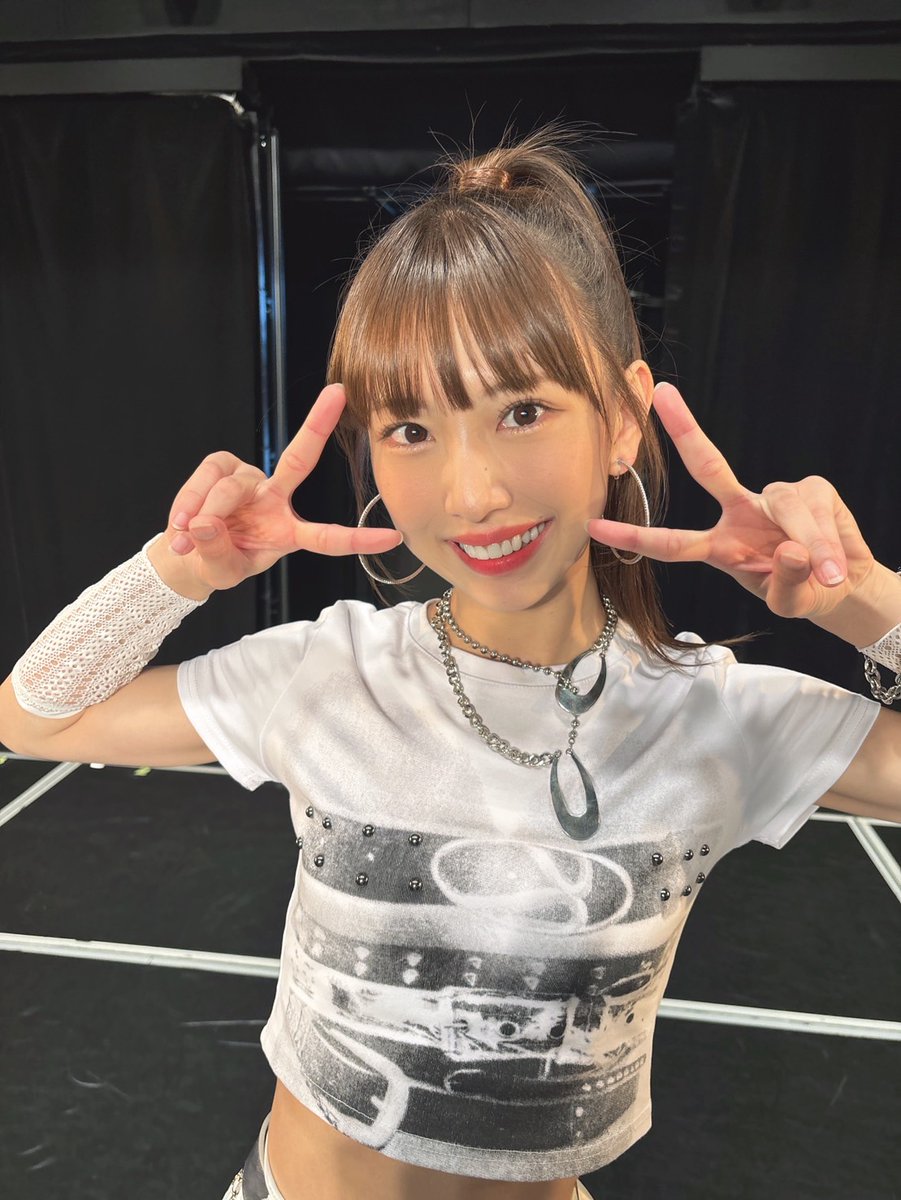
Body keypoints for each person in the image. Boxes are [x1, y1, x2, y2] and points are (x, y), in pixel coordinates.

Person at [1, 126, 899, 1200]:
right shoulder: (329, 670)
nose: (471, 495)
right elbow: (32, 717)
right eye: (411, 429)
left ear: (621, 420)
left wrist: (862, 600)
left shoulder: (717, 715)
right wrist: (178, 573)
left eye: (522, 411)